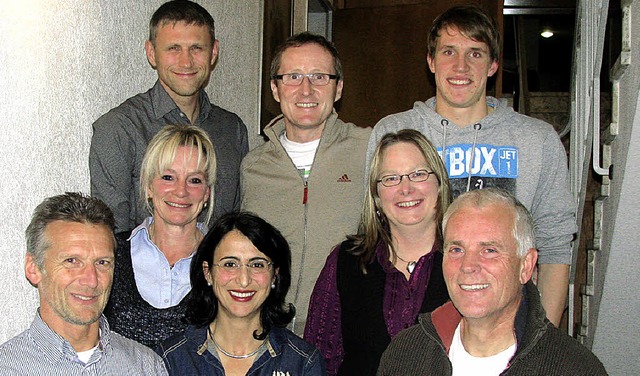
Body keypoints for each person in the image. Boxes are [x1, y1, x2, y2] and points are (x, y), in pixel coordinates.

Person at [366, 5, 575, 326]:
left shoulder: (537, 140)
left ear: (493, 65)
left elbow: (556, 245)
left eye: (475, 54)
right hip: (413, 322)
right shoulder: (392, 133)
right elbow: (376, 231)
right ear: (431, 61)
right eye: (449, 51)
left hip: (505, 323)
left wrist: (540, 339)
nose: (460, 66)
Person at [377, 188, 607, 375]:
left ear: (526, 265)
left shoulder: (573, 368)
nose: (468, 265)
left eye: (489, 250)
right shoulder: (406, 354)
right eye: (456, 249)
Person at [241, 32, 371, 334]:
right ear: (275, 88)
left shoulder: (370, 149)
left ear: (338, 88)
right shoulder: (253, 167)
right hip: (268, 334)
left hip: (348, 332)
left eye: (319, 76)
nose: (306, 89)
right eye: (293, 76)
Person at [90, 0, 248, 233]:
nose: (186, 62)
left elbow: (236, 223)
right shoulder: (118, 128)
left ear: (213, 52)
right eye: (173, 48)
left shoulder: (232, 129)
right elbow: (110, 234)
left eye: (196, 48)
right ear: (152, 54)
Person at [305, 129, 451, 375]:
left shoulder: (467, 263)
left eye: (418, 174)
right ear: (376, 196)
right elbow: (318, 359)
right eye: (391, 178)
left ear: (439, 184)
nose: (406, 188)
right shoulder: (346, 262)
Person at [0, 192, 167, 375]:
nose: (91, 280)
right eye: (72, 261)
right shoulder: (8, 368)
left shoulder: (146, 366)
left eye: (102, 263)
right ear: (33, 269)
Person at [156, 212, 325, 375]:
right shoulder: (170, 360)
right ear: (208, 273)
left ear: (275, 275)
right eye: (230, 264)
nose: (244, 280)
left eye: (257, 265)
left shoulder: (302, 363)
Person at [104, 124, 215, 348]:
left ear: (207, 193)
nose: (181, 191)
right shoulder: (110, 253)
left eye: (194, 180)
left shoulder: (226, 263)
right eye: (168, 177)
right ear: (148, 186)